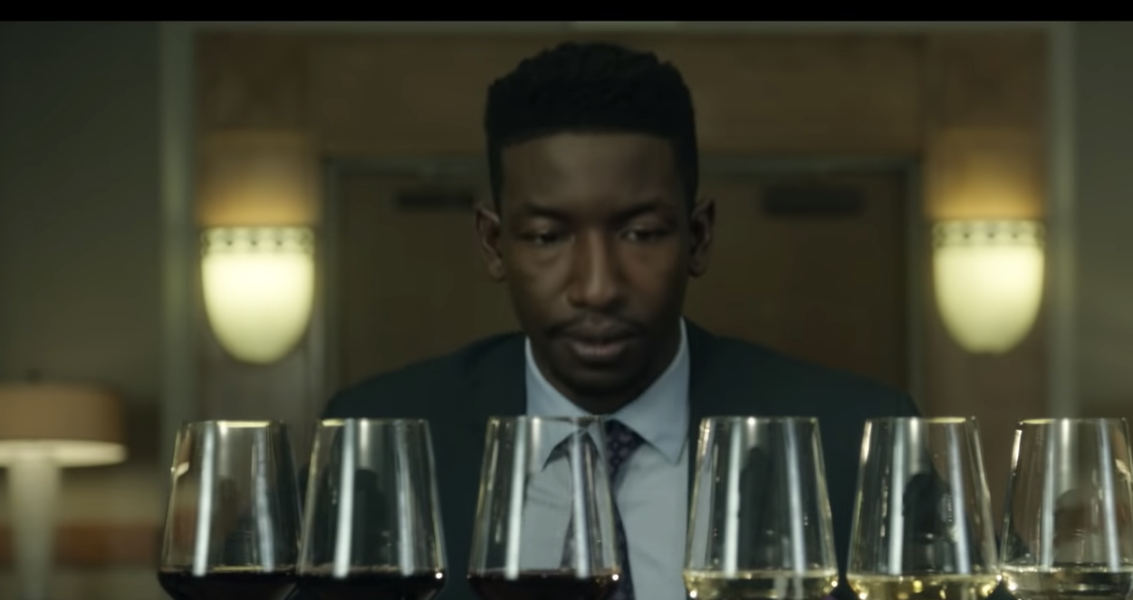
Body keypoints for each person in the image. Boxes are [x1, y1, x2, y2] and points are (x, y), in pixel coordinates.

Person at [318, 41, 920, 600]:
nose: (597, 288)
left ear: (698, 237)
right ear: (495, 245)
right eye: (548, 236)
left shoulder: (859, 445)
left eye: (640, 233)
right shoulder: (372, 449)